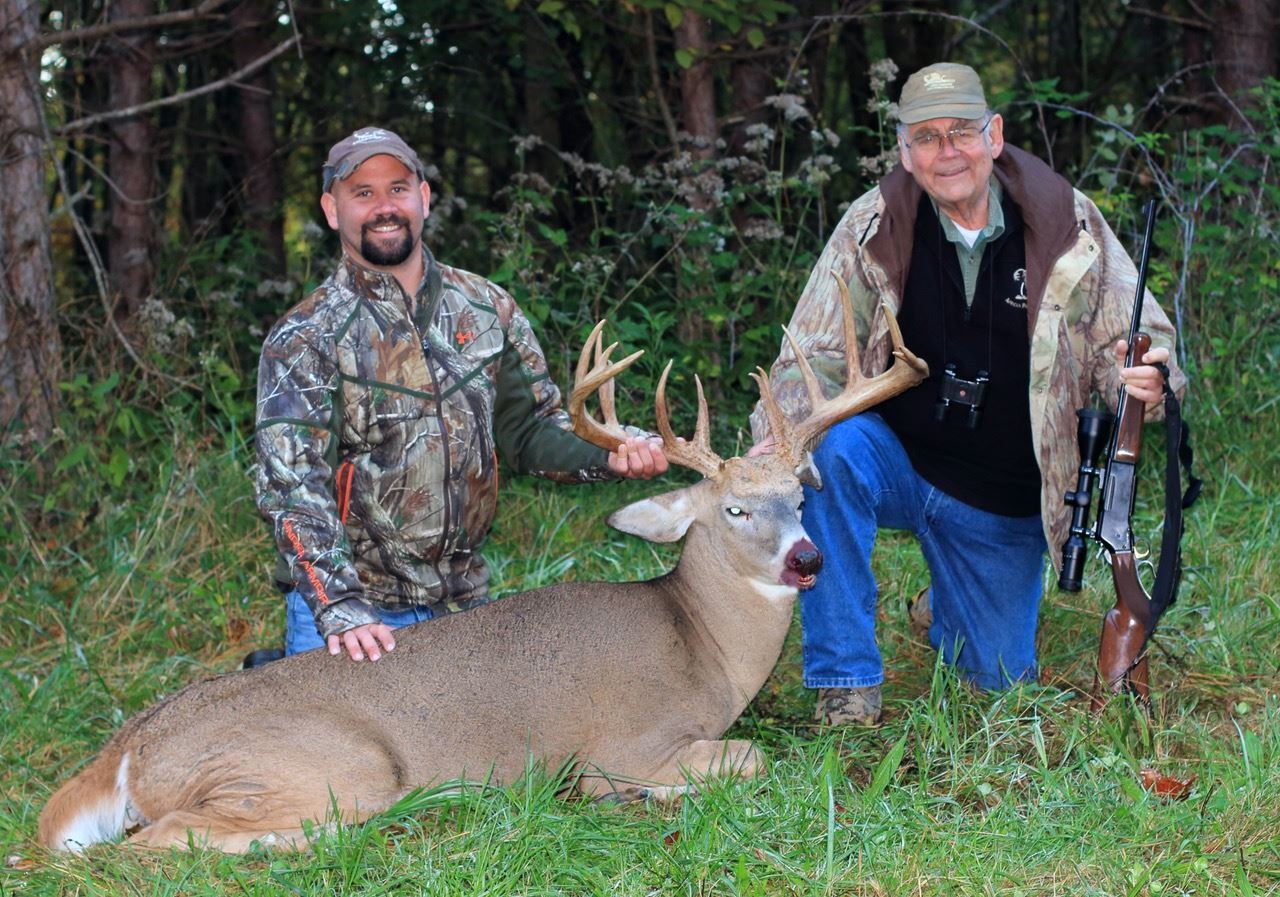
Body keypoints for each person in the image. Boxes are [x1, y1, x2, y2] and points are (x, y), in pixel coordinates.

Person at [749, 63, 1186, 725]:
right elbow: (810, 357)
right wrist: (775, 440)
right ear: (905, 151)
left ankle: (947, 602)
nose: (946, 151)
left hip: (1002, 502)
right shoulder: (874, 224)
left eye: (961, 131)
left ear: (994, 135)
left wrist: (1149, 378)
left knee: (999, 686)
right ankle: (846, 680)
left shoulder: (1065, 221)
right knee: (829, 453)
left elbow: (1136, 335)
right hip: (897, 460)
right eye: (926, 137)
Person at [254, 126, 667, 664]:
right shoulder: (306, 335)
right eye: (363, 193)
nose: (385, 207)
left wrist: (612, 452)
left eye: (398, 189)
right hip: (353, 615)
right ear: (333, 210)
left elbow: (530, 430)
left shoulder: (487, 307)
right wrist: (339, 603)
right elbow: (292, 486)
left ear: (424, 199)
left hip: (463, 607)